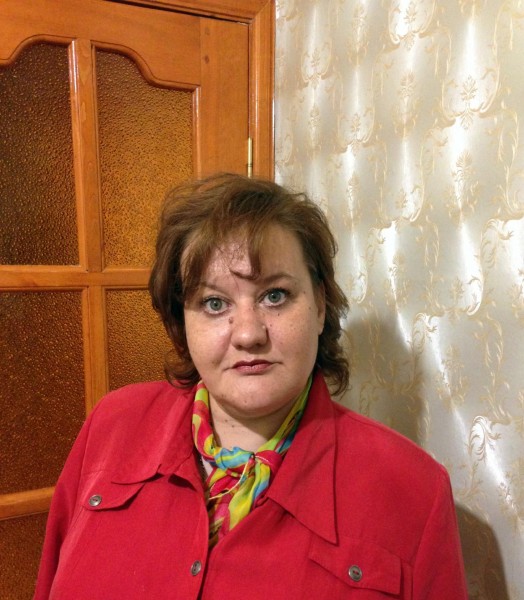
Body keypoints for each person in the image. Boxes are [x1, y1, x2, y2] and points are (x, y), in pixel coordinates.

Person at [34, 173, 468, 599]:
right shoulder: (112, 425)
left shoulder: (414, 491)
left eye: (274, 295)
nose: (248, 334)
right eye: (214, 303)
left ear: (319, 306)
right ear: (181, 321)